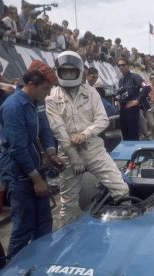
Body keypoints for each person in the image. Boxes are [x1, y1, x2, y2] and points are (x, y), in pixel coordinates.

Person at [45, 51, 129, 226]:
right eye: (64, 71)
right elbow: (58, 128)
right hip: (68, 153)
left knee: (120, 188)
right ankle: (67, 242)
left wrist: (85, 134)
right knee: (67, 205)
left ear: (79, 71)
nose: (68, 75)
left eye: (71, 71)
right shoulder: (52, 96)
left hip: (93, 148)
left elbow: (103, 119)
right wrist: (73, 155)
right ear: (58, 72)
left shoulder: (91, 93)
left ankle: (127, 225)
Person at [0, 60, 64, 258]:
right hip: (17, 170)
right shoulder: (13, 107)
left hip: (34, 165)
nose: (48, 93)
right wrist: (36, 179)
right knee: (24, 226)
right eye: (45, 89)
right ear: (31, 85)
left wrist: (51, 152)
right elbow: (17, 148)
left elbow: (44, 128)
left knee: (44, 221)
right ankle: (12, 271)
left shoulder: (37, 101)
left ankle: (40, 260)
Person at [117, 56, 150, 140]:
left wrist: (137, 100)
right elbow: (122, 93)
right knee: (125, 136)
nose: (121, 67)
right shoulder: (120, 80)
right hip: (123, 110)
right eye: (119, 65)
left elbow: (147, 87)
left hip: (132, 110)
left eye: (123, 65)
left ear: (128, 65)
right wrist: (118, 101)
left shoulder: (135, 77)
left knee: (133, 136)